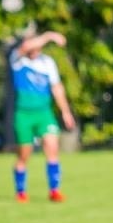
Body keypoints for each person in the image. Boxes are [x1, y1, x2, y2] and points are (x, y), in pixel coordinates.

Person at [8, 30, 75, 203]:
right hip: (24, 114)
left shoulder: (47, 63)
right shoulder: (17, 60)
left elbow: (57, 88)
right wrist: (50, 36)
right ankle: (21, 191)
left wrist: (65, 112)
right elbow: (25, 46)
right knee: (24, 154)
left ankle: (54, 190)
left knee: (52, 148)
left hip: (44, 113)